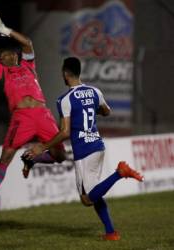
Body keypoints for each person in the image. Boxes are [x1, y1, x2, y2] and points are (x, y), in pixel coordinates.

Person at [25, 57, 144, 241]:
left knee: (86, 198)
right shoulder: (95, 91)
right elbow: (106, 111)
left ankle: (119, 173)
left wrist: (43, 146)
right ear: (79, 72)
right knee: (94, 192)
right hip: (97, 145)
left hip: (83, 151)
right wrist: (89, 108)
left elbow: (64, 132)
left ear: (65, 73)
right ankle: (111, 232)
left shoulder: (65, 99)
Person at [0, 10, 66, 215]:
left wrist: (5, 30)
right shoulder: (1, 72)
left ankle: (32, 159)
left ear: (15, 55)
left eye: (8, 53)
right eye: (2, 55)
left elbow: (28, 42)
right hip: (22, 118)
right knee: (6, 156)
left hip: (43, 114)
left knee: (60, 156)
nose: (5, 55)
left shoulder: (29, 66)